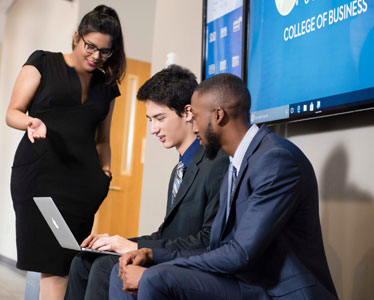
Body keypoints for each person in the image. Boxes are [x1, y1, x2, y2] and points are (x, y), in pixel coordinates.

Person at [109, 73, 339, 300]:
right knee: (125, 273)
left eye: (196, 117)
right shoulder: (236, 161)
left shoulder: (275, 159)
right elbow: (216, 248)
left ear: (218, 115)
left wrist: (157, 263)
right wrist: (151, 254)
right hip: (242, 281)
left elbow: (241, 253)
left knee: (153, 277)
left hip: (274, 290)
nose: (194, 126)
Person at [64, 65, 228, 300]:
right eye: (150, 120)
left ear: (188, 112)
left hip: (191, 265)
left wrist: (134, 248)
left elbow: (207, 240)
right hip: (169, 254)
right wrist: (117, 242)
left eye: (159, 118)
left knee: (104, 267)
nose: (153, 129)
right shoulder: (179, 170)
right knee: (84, 260)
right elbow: (167, 233)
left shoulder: (216, 163)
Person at [5, 5, 125, 300]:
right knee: (52, 265)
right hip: (39, 179)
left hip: (82, 188)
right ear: (76, 37)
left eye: (105, 51)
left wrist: (105, 174)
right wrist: (30, 121)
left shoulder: (107, 87)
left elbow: (102, 140)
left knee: (67, 265)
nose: (96, 56)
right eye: (90, 46)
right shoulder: (43, 62)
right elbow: (12, 113)